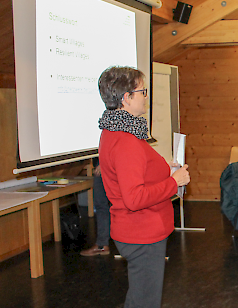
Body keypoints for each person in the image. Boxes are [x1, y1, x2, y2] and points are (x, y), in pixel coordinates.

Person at [97, 66, 191, 308]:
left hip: (137, 230)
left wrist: (163, 170)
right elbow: (134, 198)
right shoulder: (126, 140)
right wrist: (173, 182)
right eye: (142, 91)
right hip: (141, 233)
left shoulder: (115, 129)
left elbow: (135, 174)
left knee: (140, 297)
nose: (146, 97)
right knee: (145, 302)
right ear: (126, 98)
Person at [80, 160, 111, 256]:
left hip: (107, 162)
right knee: (102, 205)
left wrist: (105, 163)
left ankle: (102, 245)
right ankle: (102, 245)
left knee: (103, 204)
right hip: (104, 162)